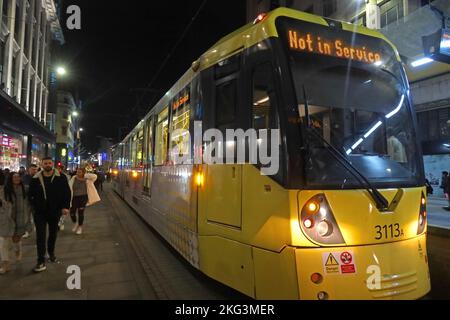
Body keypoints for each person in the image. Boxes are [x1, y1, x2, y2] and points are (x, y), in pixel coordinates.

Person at [28, 157, 71, 273]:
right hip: (40, 212)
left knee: (53, 234)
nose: (47, 165)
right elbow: (30, 194)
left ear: (52, 164)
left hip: (55, 211)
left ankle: (51, 253)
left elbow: (67, 193)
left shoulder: (61, 178)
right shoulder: (36, 178)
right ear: (41, 165)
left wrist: (65, 207)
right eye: (45, 163)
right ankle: (40, 260)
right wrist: (34, 205)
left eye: (49, 163)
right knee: (40, 236)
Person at [0, 173, 33, 274]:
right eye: (14, 177)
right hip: (6, 219)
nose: (17, 178)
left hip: (20, 219)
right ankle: (5, 264)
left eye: (18, 177)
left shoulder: (25, 189)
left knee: (16, 240)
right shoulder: (3, 190)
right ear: (10, 179)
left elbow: (30, 203)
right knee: (3, 243)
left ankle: (18, 250)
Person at [68, 167, 100, 235]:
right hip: (74, 198)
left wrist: (85, 175)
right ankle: (75, 222)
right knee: (72, 212)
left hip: (83, 198)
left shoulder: (87, 180)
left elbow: (95, 176)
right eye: (77, 172)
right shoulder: (74, 178)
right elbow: (69, 186)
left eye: (79, 172)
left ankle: (80, 227)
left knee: (80, 212)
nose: (77, 173)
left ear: (83, 173)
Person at [56, 164, 70, 231]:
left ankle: (60, 223)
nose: (58, 170)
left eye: (59, 169)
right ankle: (58, 224)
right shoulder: (52, 176)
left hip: (62, 198)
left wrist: (66, 204)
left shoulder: (64, 176)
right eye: (57, 168)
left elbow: (67, 189)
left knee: (61, 213)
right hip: (55, 199)